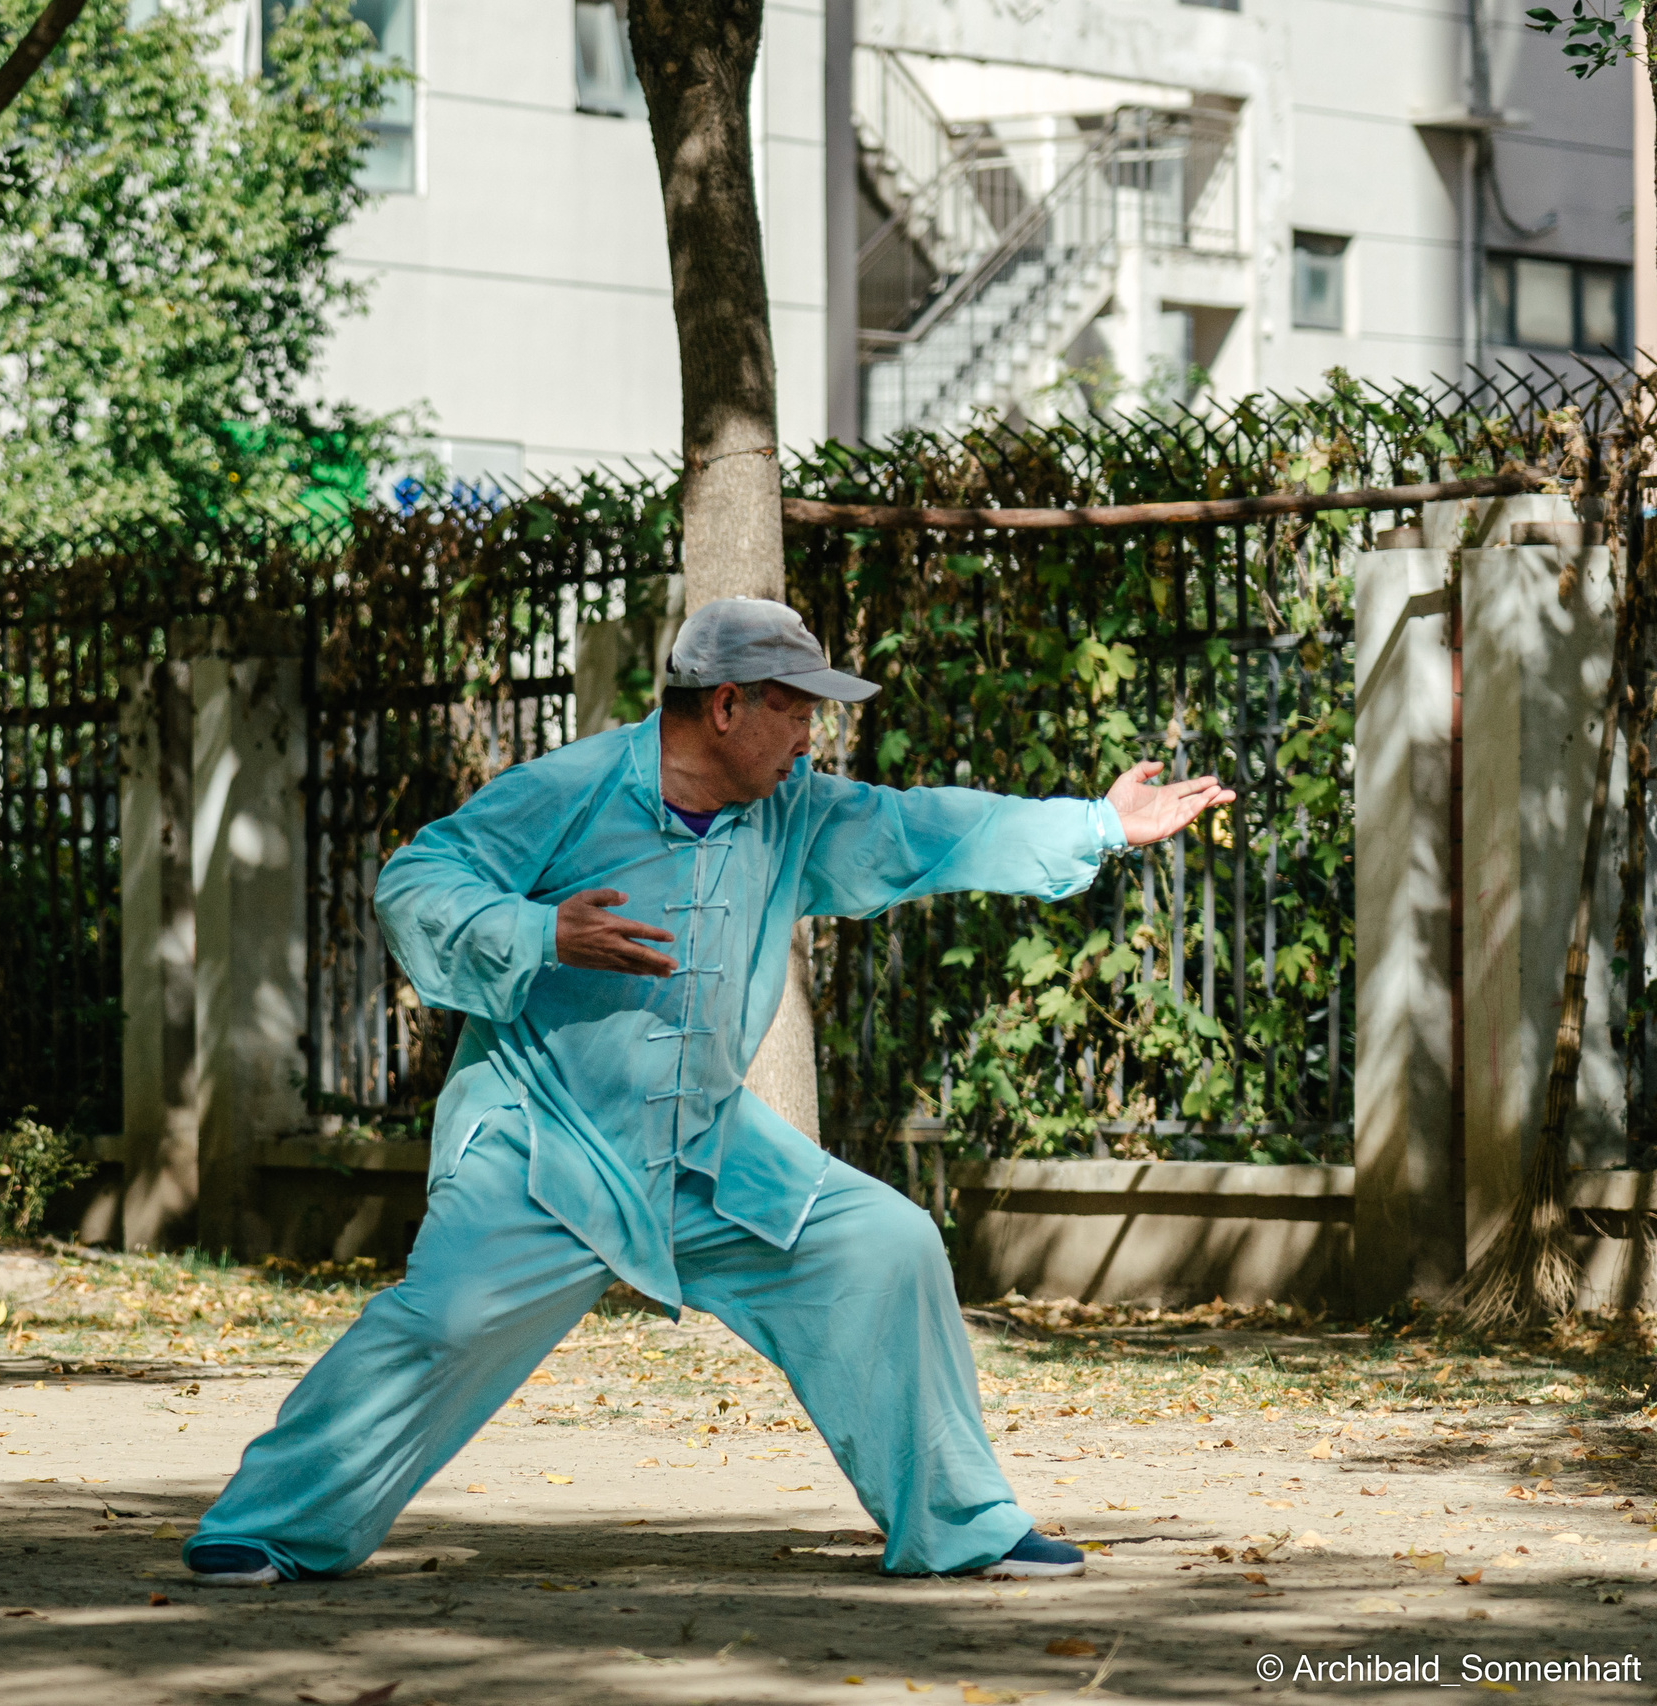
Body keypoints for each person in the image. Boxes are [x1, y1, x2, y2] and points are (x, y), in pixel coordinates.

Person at [181, 596, 1233, 1586]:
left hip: (704, 1147)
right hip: (545, 1141)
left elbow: (928, 833)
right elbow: (418, 880)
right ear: (725, 705)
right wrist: (542, 930)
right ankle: (262, 1527)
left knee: (884, 1240)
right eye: (794, 710)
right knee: (446, 1322)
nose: (808, 738)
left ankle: (959, 1527)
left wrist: (1096, 826)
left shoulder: (794, 813)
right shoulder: (569, 790)